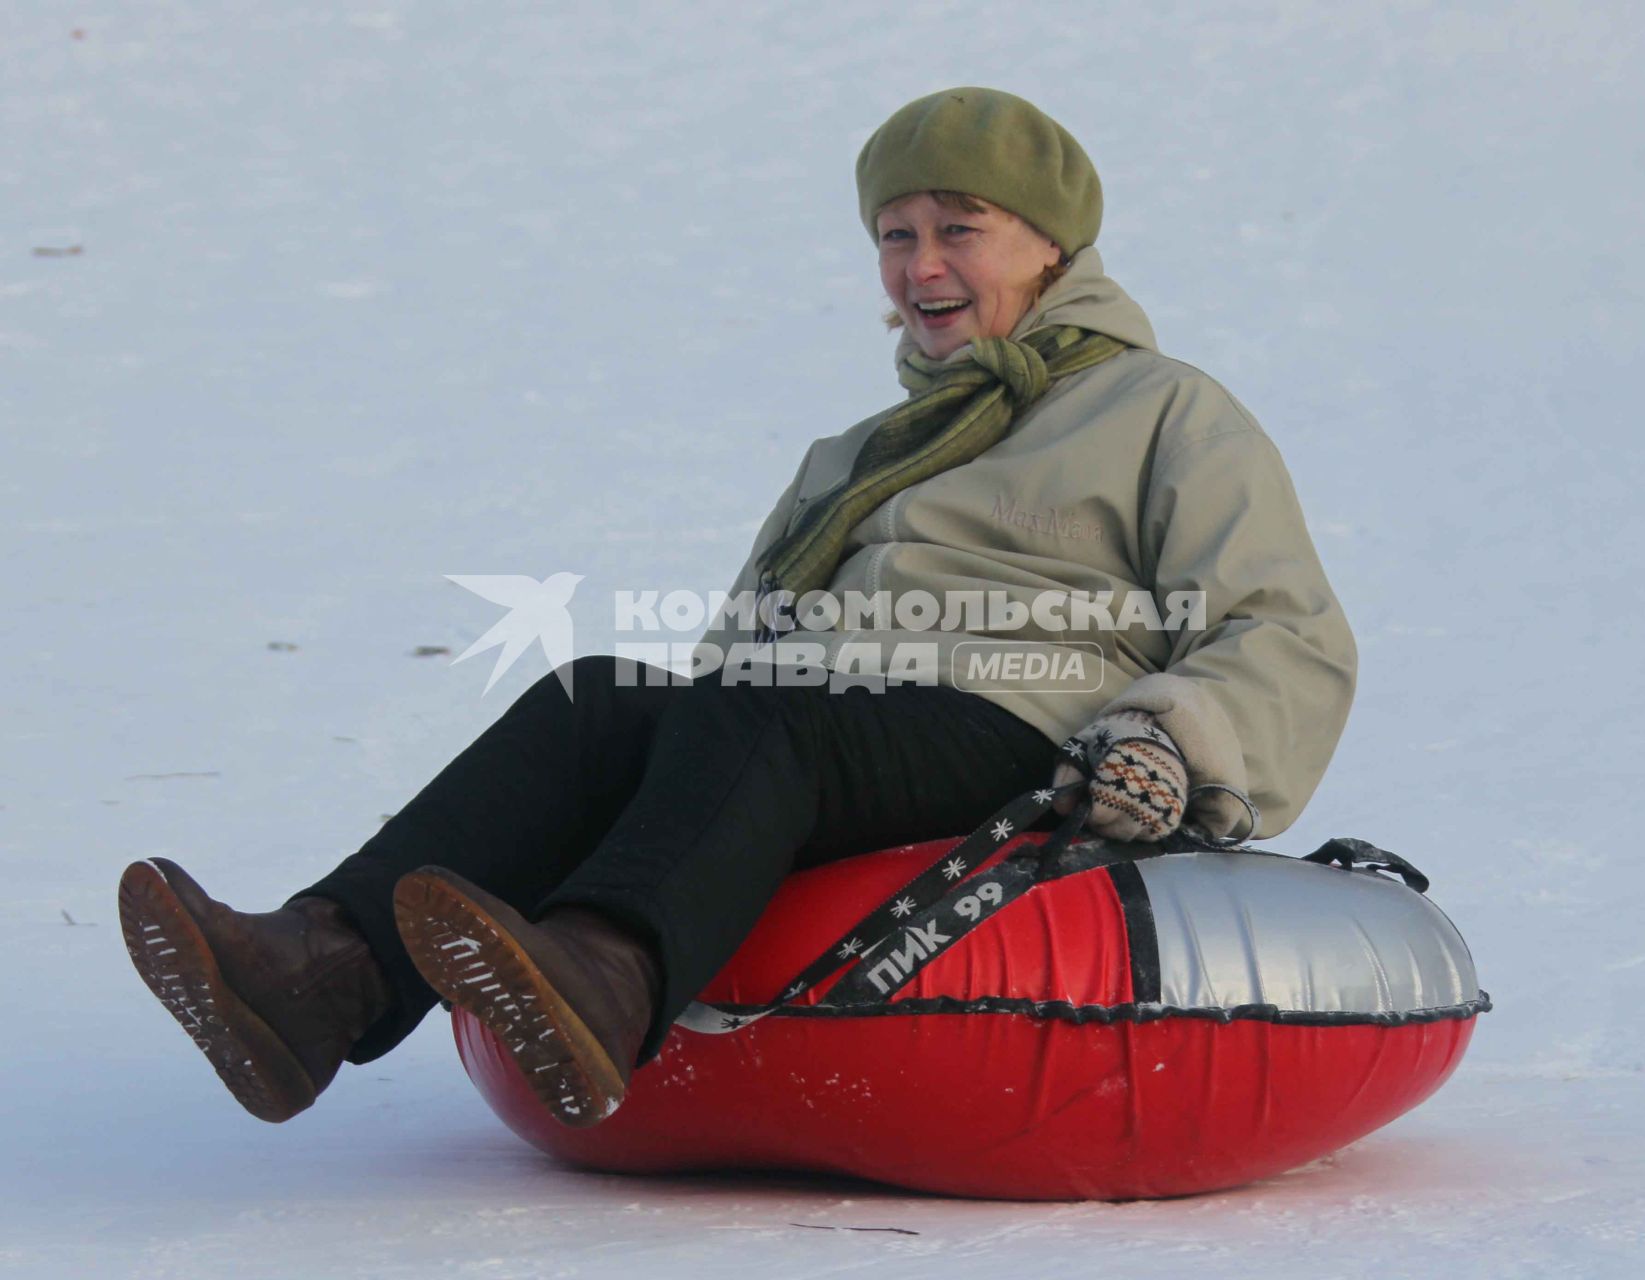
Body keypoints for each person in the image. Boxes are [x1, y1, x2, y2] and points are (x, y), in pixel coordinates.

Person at [118, 87, 1356, 1131]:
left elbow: (1281, 628)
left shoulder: (1161, 410)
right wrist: (652, 760)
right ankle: (317, 977)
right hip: (822, 722)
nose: (920, 265)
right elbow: (737, 662)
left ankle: (608, 975)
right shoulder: (857, 452)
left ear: (1051, 245)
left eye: (958, 229)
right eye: (894, 233)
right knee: (597, 695)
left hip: (1022, 724)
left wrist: (1166, 738)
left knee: (771, 713)